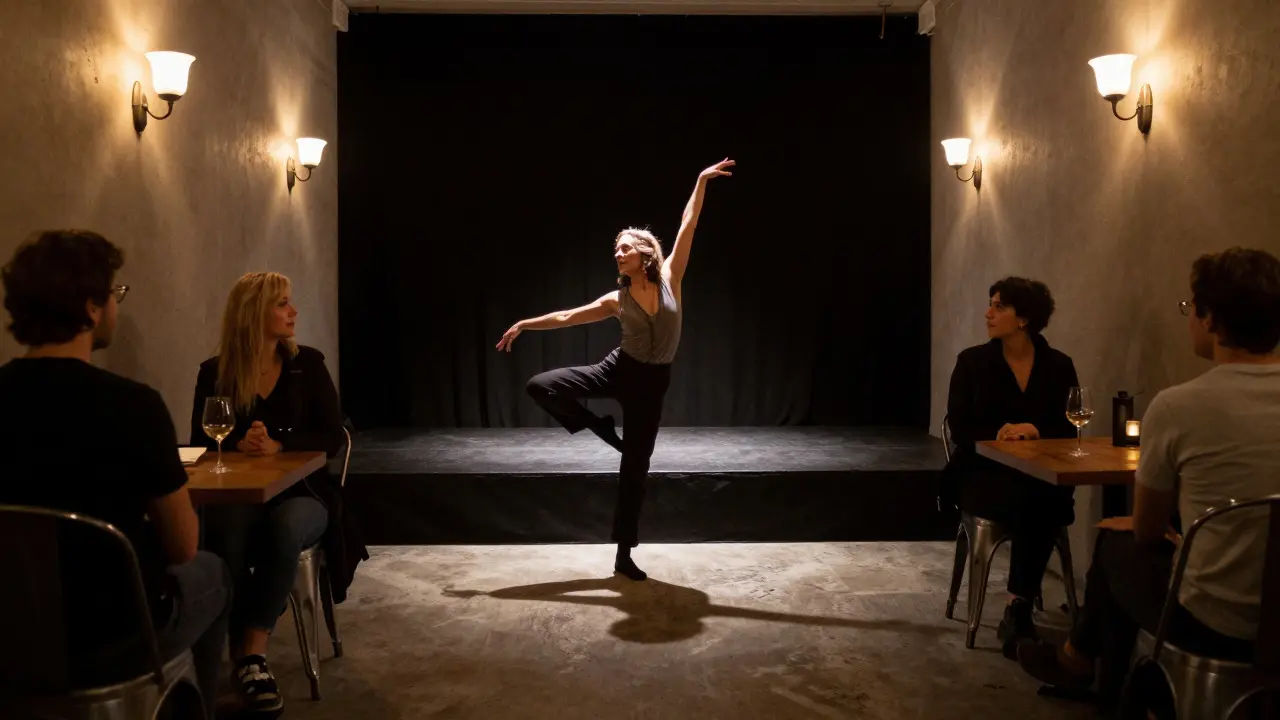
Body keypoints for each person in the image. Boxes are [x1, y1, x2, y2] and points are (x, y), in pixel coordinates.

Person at [1018, 247, 1280, 714]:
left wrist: (1168, 534)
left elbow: (1146, 529)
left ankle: (1090, 671)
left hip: (1217, 623)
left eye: (1190, 308)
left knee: (1118, 548)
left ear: (1211, 319)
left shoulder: (1180, 406)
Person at [0, 230, 230, 720]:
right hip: (112, 635)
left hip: (7, 638)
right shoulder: (133, 406)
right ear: (90, 308)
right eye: (113, 294)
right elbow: (183, 547)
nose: (115, 307)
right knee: (214, 572)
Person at [496, 158, 734, 581]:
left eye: (625, 248)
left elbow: (688, 224)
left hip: (652, 386)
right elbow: (568, 316)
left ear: (645, 254)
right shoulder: (615, 300)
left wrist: (700, 181)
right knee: (541, 386)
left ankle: (624, 554)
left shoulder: (670, 278)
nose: (617, 253)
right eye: (616, 249)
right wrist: (524, 324)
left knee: (635, 472)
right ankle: (599, 427)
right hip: (618, 369)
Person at [191, 271, 366, 715]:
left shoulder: (307, 363)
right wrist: (238, 443)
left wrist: (281, 443)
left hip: (303, 490)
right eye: (282, 304)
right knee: (226, 529)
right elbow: (201, 436)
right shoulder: (215, 372)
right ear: (254, 314)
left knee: (285, 529)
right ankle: (226, 644)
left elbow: (333, 433)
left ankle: (251, 653)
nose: (294, 312)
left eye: (290, 302)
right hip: (244, 493)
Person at [942, 277, 1081, 658]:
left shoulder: (1058, 365)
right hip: (982, 473)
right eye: (990, 303)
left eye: (999, 305)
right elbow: (960, 426)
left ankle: (1017, 607)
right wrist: (999, 434)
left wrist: (1035, 429)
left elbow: (1070, 425)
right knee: (1041, 500)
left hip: (1039, 475)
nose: (988, 312)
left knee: (1043, 494)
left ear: (1024, 318)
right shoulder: (972, 362)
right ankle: (1019, 608)